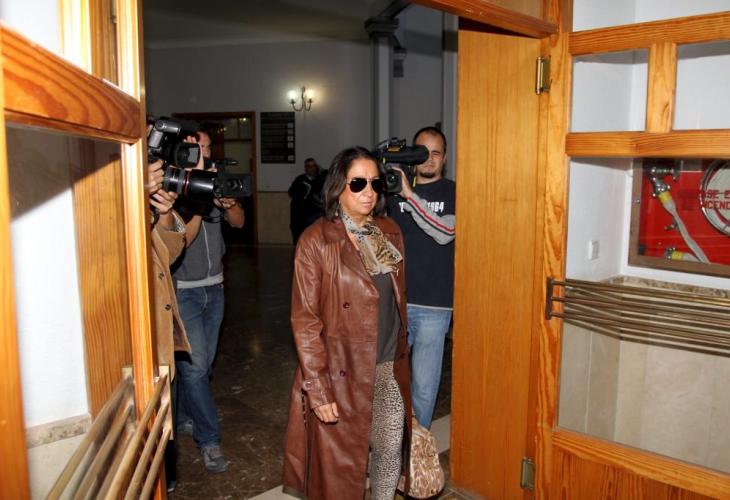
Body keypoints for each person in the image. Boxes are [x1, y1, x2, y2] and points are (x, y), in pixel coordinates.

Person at [282, 147, 412, 500]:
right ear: (338, 186)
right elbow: (305, 322)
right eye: (358, 183)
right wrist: (318, 390)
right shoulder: (316, 241)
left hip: (387, 364)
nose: (369, 192)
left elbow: (398, 300)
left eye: (375, 183)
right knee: (342, 468)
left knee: (389, 450)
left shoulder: (389, 232)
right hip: (341, 371)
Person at [172, 129, 245, 473]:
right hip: (184, 291)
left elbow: (239, 223)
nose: (204, 153)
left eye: (207, 147)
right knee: (197, 369)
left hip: (215, 288)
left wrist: (229, 203)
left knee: (200, 367)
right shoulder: (171, 187)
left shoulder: (218, 181)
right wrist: (199, 202)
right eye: (196, 148)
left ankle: (182, 416)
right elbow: (179, 242)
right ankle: (209, 441)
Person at [387, 126, 456, 429]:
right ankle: (389, 446)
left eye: (436, 153)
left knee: (424, 389)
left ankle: (417, 449)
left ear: (445, 158)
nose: (429, 159)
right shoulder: (391, 189)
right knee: (386, 383)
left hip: (434, 307)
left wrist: (409, 195)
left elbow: (445, 232)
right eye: (422, 152)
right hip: (395, 303)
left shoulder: (454, 192)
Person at [147, 159, 191, 492]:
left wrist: (162, 213)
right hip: (135, 331)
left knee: (163, 418)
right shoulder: (109, 192)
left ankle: (165, 476)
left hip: (159, 333)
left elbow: (169, 253)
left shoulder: (147, 202)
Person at [288, 157, 326, 244]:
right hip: (300, 217)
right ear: (305, 168)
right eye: (309, 166)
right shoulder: (300, 180)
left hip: (316, 215)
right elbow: (291, 193)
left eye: (314, 166)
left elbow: (330, 174)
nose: (312, 168)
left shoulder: (321, 179)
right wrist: (303, 191)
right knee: (300, 241)